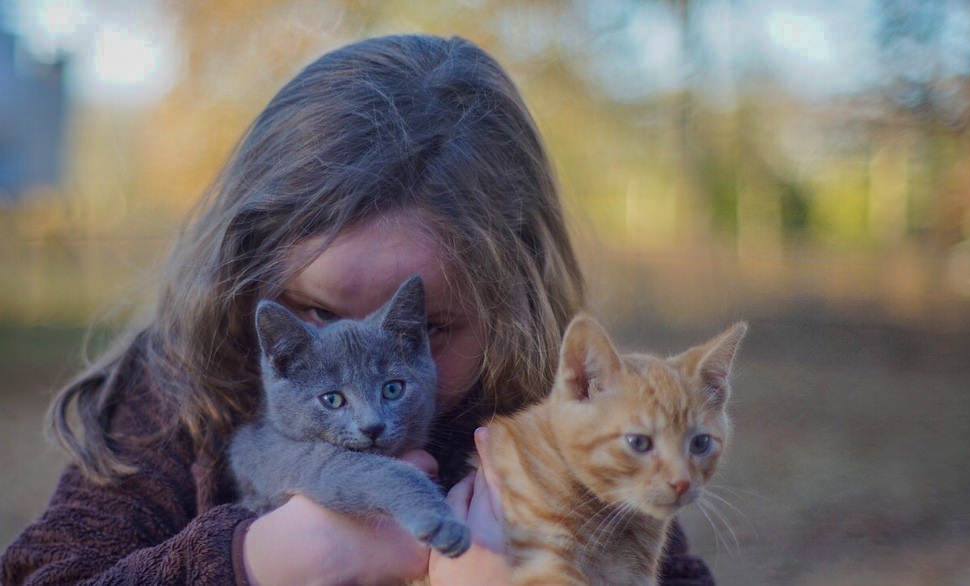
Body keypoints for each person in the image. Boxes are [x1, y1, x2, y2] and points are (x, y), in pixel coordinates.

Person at [1, 34, 714, 585]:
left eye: (422, 329)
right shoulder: (181, 393)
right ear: (249, 274)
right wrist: (249, 561)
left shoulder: (573, 438)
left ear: (512, 308)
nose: (367, 357)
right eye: (314, 312)